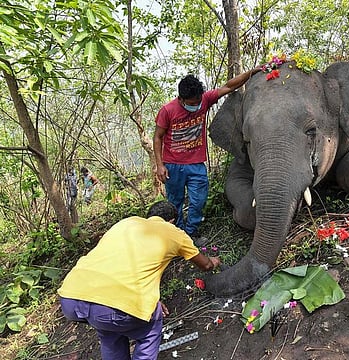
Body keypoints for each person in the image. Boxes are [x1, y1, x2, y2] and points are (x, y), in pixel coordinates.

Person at [57, 200, 221, 360]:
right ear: (172, 221)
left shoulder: (126, 223)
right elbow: (205, 265)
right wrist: (213, 262)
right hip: (113, 304)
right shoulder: (173, 232)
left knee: (109, 333)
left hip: (72, 295)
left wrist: (152, 300)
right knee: (150, 329)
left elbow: (123, 267)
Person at [154, 67, 262, 245]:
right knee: (175, 202)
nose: (196, 105)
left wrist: (253, 71)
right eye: (191, 102)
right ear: (181, 98)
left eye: (198, 101)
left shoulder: (204, 100)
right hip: (173, 164)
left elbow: (228, 86)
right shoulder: (167, 111)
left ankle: (192, 232)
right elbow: (158, 137)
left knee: (199, 200)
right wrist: (159, 165)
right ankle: (179, 236)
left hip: (196, 163)